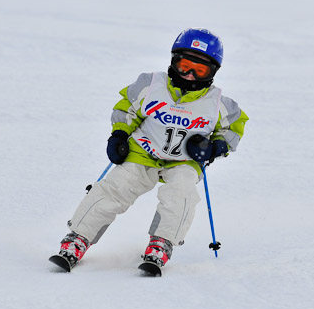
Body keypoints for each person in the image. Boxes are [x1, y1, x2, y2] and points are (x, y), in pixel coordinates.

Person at [54, 28, 248, 275]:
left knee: (182, 194)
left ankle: (162, 243)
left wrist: (215, 147)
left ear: (213, 72)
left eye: (200, 70)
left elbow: (233, 130)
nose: (189, 75)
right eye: (184, 65)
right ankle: (78, 237)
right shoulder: (150, 85)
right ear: (173, 60)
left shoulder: (219, 103)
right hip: (143, 151)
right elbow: (126, 109)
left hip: (184, 161)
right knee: (115, 187)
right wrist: (120, 134)